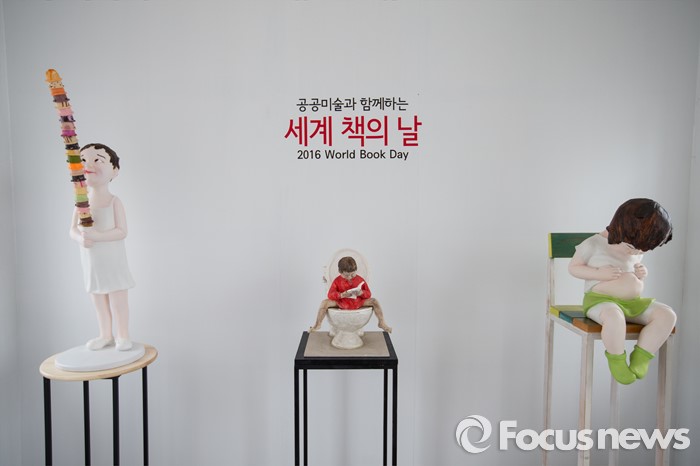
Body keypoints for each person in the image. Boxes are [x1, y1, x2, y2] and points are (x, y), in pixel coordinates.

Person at [568, 198, 676, 384]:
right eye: (633, 248)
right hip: (601, 302)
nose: (636, 253)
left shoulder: (636, 248)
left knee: (667, 315)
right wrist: (598, 273)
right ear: (623, 229)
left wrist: (640, 274)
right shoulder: (593, 244)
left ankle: (642, 355)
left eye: (642, 250)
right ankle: (617, 360)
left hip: (632, 303)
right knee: (614, 318)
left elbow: (631, 269)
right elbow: (573, 268)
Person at [69, 143, 135, 351]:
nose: (88, 165)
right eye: (83, 160)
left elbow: (122, 231)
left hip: (113, 262)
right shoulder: (81, 203)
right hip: (92, 263)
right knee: (98, 301)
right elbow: (72, 229)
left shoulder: (114, 201)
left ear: (114, 170)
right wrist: (80, 239)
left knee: (118, 301)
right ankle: (105, 335)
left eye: (97, 160)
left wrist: (99, 236)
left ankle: (122, 335)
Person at [310, 256, 392, 333]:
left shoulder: (360, 279)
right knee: (324, 302)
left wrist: (361, 293)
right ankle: (318, 324)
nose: (350, 277)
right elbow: (330, 294)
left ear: (356, 270)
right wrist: (341, 295)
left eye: (352, 274)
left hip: (358, 302)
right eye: (346, 275)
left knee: (374, 301)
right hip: (342, 302)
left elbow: (368, 294)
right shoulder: (337, 281)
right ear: (340, 272)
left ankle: (381, 322)